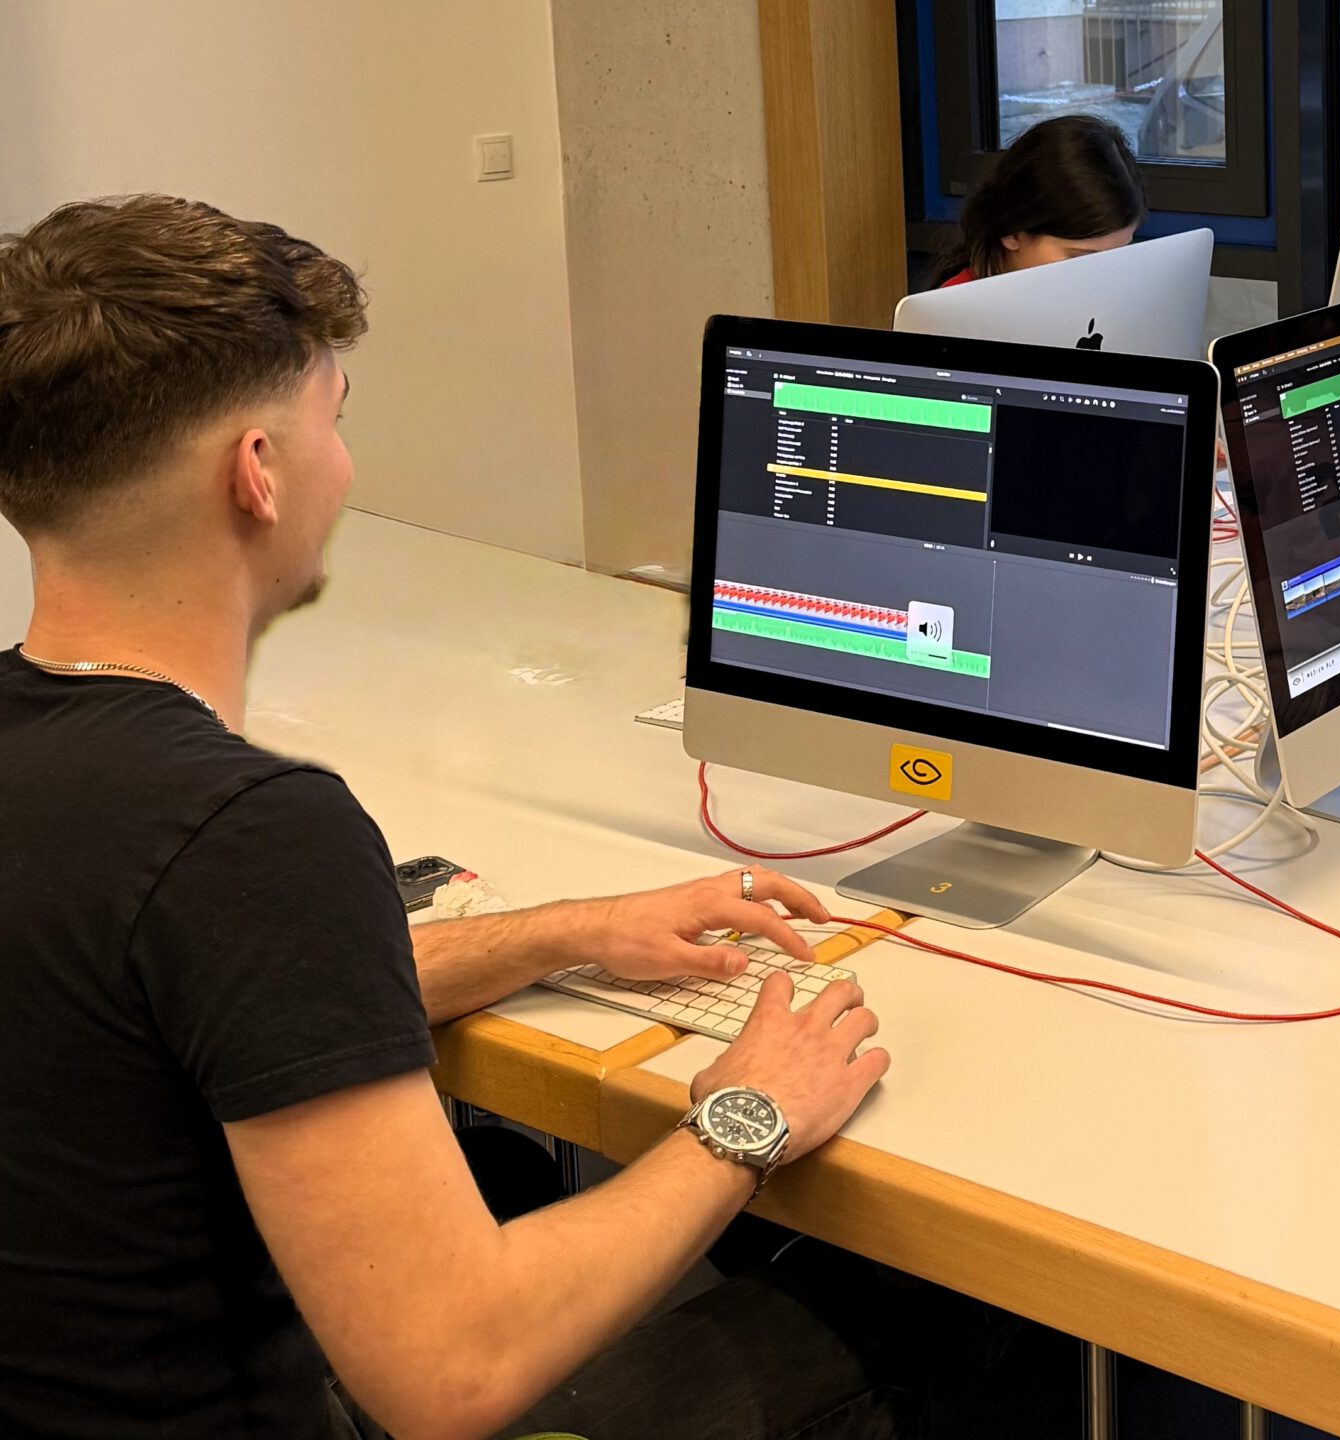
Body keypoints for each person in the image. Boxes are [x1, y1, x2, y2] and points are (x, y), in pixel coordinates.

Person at [0, 195, 1014, 1439]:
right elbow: (452, 1373)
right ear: (255, 473)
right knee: (924, 1317)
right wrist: (746, 1113)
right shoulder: (248, 834)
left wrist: (563, 934)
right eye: (334, 421)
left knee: (513, 1173)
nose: (345, 467)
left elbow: (215, 990)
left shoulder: (84, 785)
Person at [927, 114, 1145, 288]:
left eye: (1120, 256)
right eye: (1082, 260)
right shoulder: (950, 319)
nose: (1103, 281)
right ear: (1012, 233)